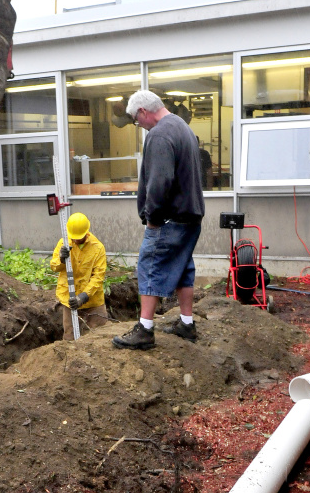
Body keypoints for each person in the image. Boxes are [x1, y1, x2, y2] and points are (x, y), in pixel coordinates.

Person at [112, 90, 204, 350]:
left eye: (135, 120)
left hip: (170, 218)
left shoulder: (160, 134)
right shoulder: (181, 127)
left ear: (143, 111)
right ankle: (187, 323)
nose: (137, 125)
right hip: (190, 214)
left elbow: (160, 181)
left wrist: (152, 217)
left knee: (149, 265)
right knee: (183, 266)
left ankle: (144, 329)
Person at [51, 212, 108, 340]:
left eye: (79, 237)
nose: (76, 240)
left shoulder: (97, 248)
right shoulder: (63, 244)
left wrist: (83, 296)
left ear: (86, 232)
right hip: (69, 298)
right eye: (74, 237)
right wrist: (61, 259)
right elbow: (54, 267)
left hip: (93, 301)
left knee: (98, 336)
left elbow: (98, 276)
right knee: (69, 337)